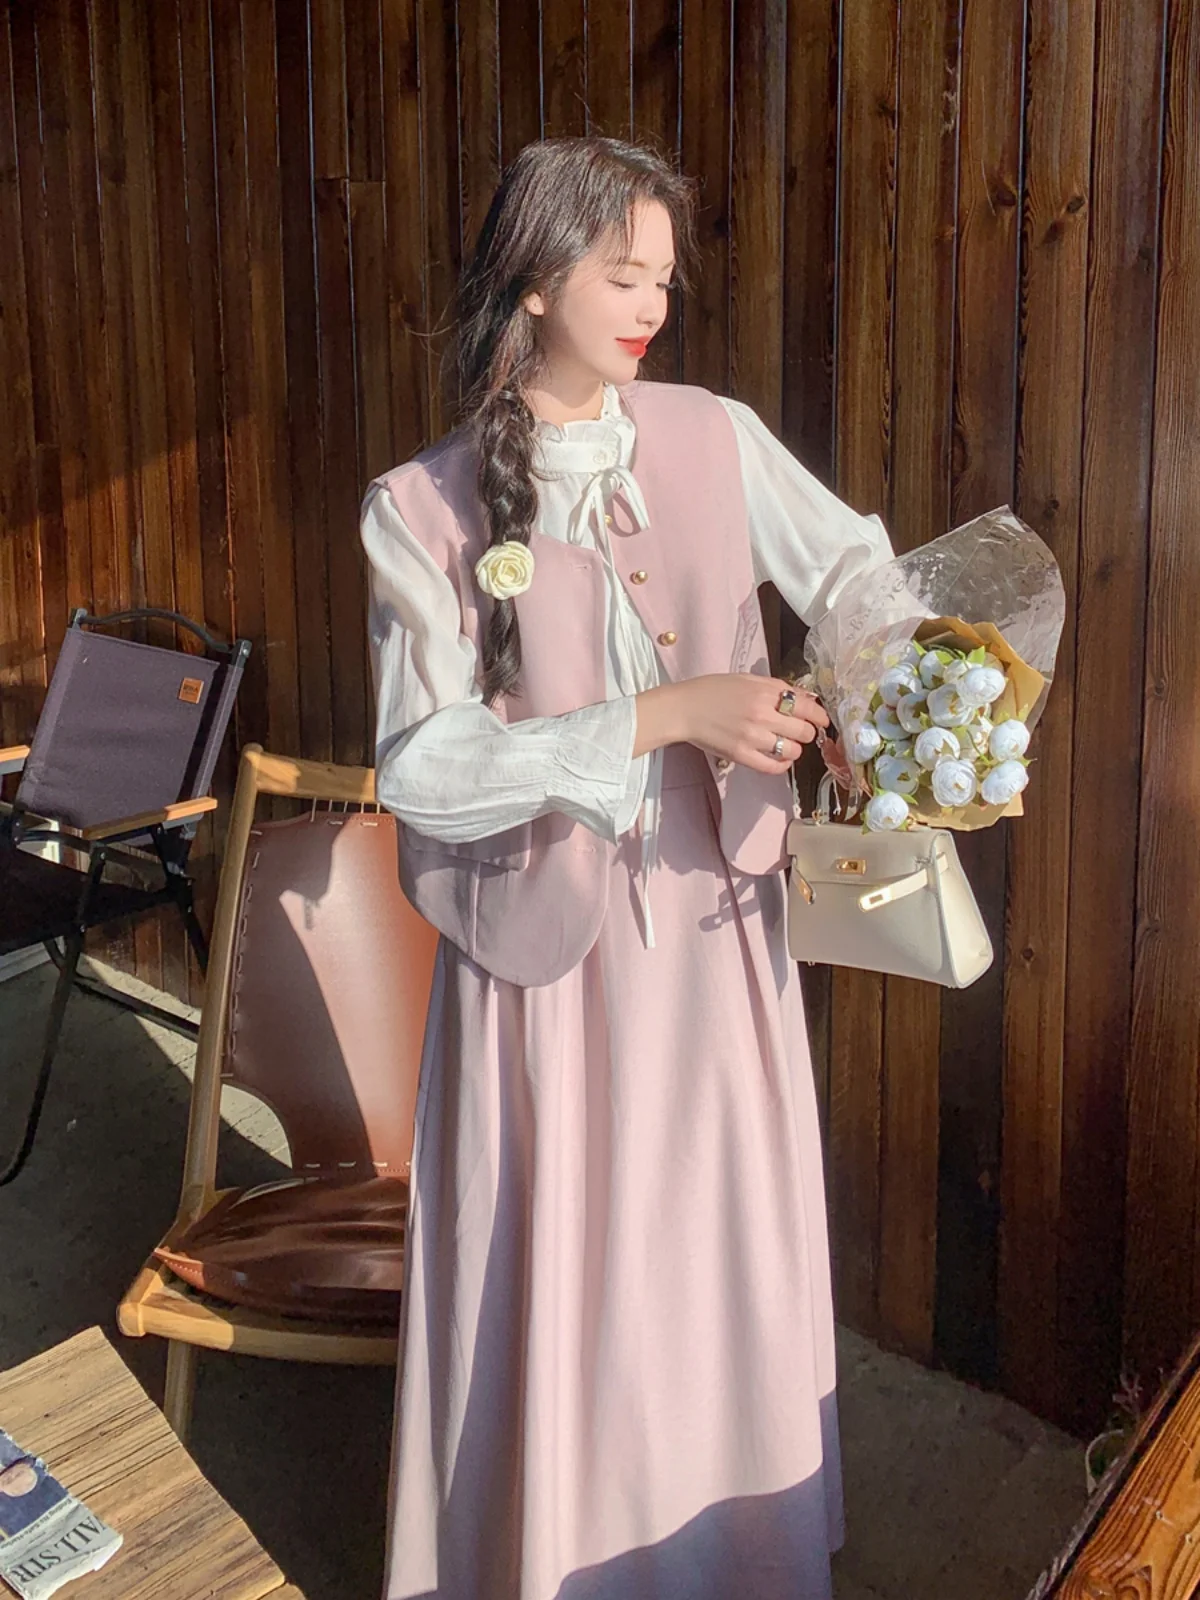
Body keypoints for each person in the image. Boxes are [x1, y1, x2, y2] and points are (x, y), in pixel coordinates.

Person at [362, 136, 891, 1600]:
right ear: (536, 281)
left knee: (708, 1251)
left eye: (663, 276)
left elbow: (858, 573)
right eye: (621, 274)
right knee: (575, 1268)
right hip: (545, 968)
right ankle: (560, 1558)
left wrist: (876, 702)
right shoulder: (420, 506)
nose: (654, 304)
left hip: (717, 929)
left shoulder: (716, 435)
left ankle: (731, 1557)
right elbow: (422, 767)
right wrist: (666, 714)